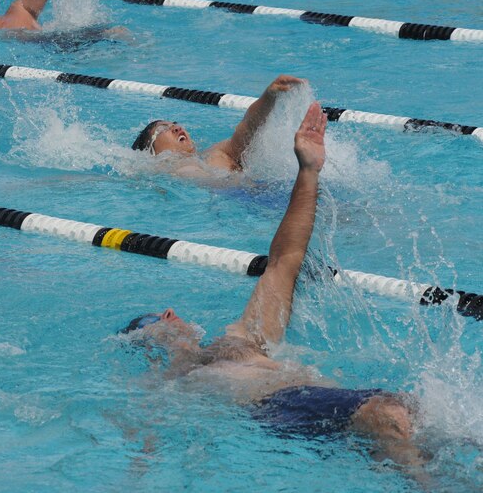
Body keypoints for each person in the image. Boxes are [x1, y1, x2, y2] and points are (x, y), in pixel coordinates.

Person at [120, 102, 427, 471]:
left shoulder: (238, 339)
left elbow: (284, 262)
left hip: (328, 406)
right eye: (150, 325)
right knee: (390, 414)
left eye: (155, 320)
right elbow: (145, 438)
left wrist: (308, 171)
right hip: (287, 409)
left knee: (413, 411)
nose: (166, 319)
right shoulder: (173, 384)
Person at [132, 75, 305, 179]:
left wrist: (269, 96)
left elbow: (248, 129)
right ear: (150, 150)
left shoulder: (217, 153)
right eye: (162, 129)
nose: (176, 128)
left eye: (174, 124)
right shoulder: (160, 172)